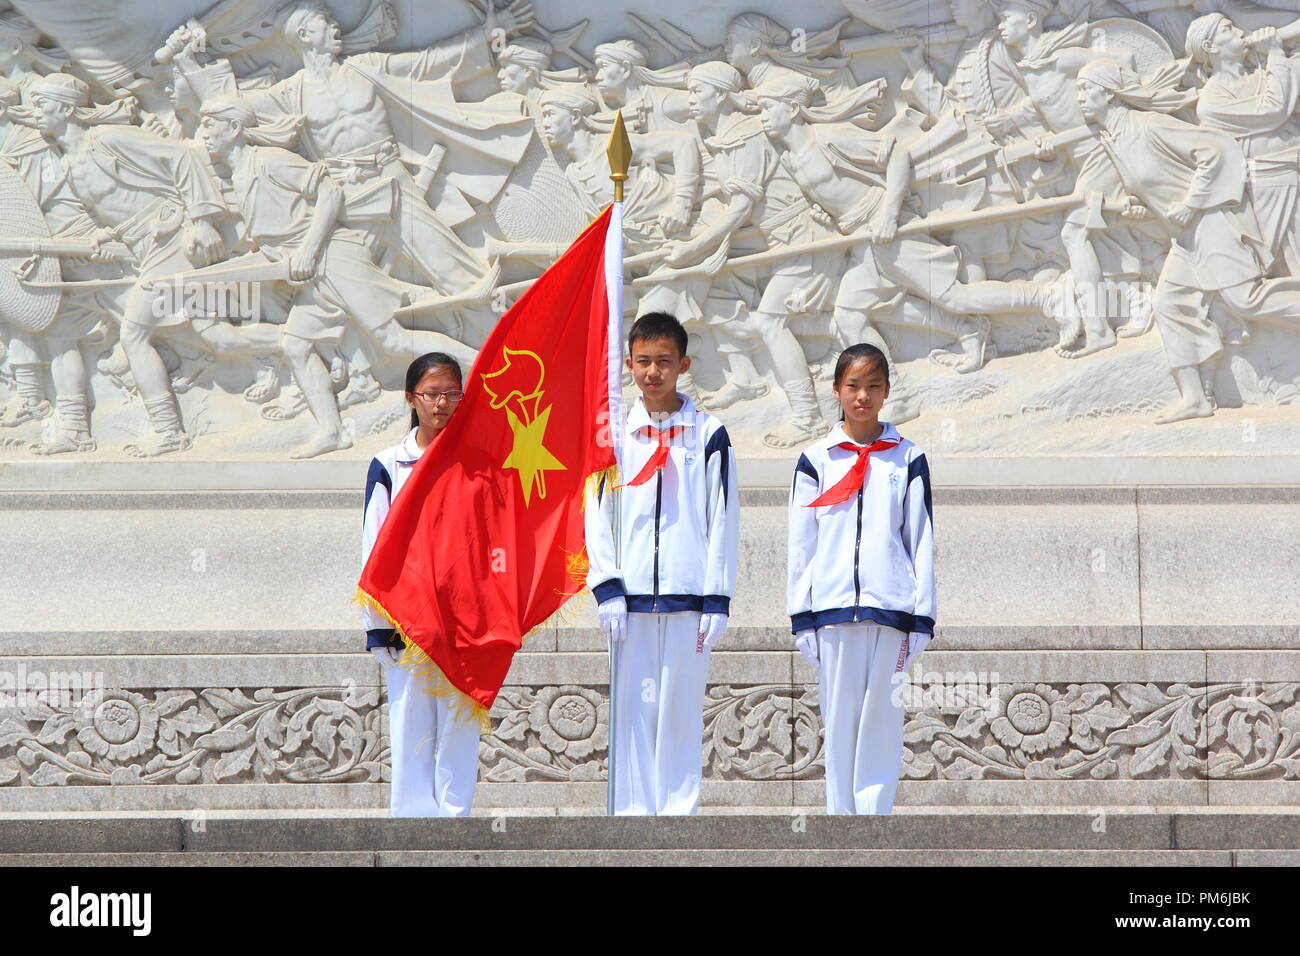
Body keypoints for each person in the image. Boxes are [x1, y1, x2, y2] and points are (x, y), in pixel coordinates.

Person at [584, 312, 739, 815]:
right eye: (644, 361)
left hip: (689, 601)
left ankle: (678, 821)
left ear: (683, 365)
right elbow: (596, 513)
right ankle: (631, 821)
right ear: (628, 363)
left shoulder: (709, 434)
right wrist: (607, 585)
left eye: (664, 362)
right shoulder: (613, 434)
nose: (653, 372)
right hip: (627, 606)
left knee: (678, 715)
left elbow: (723, 517)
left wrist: (717, 596)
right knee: (632, 716)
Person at [787, 343, 935, 815]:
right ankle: (840, 824)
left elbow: (921, 540)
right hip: (831, 613)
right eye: (852, 386)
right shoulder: (817, 459)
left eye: (873, 386)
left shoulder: (907, 459)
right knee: (840, 721)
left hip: (891, 612)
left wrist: (922, 618)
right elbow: (801, 544)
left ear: (887, 391)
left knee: (881, 721)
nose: (862, 397)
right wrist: (801, 615)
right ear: (836, 390)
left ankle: (875, 821)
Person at [361, 352, 480, 817]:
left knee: (459, 727)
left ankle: (456, 824)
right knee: (411, 725)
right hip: (408, 621)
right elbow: (374, 545)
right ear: (411, 398)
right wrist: (376, 625)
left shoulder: (478, 463)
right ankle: (411, 825)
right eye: (432, 394)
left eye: (453, 393)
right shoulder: (389, 464)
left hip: (466, 620)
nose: (442, 404)